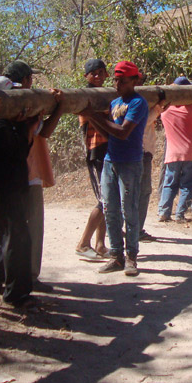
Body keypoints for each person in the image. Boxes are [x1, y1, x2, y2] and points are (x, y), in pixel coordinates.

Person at [80, 61, 148, 276]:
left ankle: (131, 258)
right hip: (110, 160)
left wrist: (93, 115)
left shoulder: (138, 103)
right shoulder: (115, 102)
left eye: (122, 80)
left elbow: (122, 132)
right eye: (116, 80)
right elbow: (110, 133)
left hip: (130, 162)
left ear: (134, 81)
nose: (117, 84)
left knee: (129, 210)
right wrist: (93, 116)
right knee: (110, 209)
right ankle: (116, 256)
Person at [0, 82, 40, 308]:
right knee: (18, 239)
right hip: (4, 193)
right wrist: (27, 129)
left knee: (7, 237)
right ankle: (16, 294)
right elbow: (19, 153)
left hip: (3, 192)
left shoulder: (3, 125)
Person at [4, 61, 63, 290]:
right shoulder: (27, 103)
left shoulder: (2, 98)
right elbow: (45, 131)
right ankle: (28, 278)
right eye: (31, 79)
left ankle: (7, 278)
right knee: (32, 228)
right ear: (26, 80)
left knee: (10, 231)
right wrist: (59, 106)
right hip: (28, 174)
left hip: (6, 176)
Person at [157, 77, 192, 222]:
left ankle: (164, 212)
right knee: (187, 184)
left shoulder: (165, 110)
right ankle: (180, 214)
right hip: (191, 152)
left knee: (169, 183)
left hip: (172, 154)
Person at [75, 58, 110, 259]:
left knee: (108, 200)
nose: (97, 76)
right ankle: (83, 243)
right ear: (86, 77)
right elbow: (94, 122)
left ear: (106, 74)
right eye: (93, 73)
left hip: (108, 149)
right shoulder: (85, 97)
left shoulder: (107, 95)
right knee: (104, 200)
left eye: (100, 72)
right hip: (96, 151)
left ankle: (100, 244)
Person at [136, 73, 166, 242]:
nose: (141, 84)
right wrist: (158, 107)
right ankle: (136, 230)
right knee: (141, 191)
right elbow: (142, 121)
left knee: (141, 192)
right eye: (137, 80)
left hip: (144, 151)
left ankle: (134, 229)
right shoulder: (133, 101)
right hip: (139, 152)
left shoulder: (142, 99)